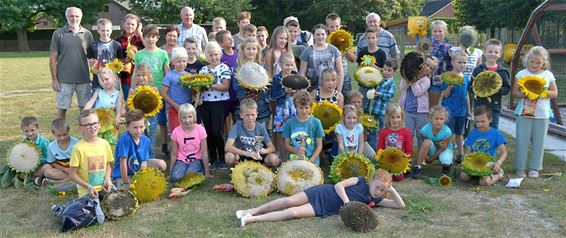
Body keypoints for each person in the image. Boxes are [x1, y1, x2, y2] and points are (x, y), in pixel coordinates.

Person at [236, 169, 404, 227]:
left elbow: (400, 206)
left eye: (382, 190)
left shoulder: (375, 199)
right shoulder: (360, 181)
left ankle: (251, 219)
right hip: (324, 193)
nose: (378, 192)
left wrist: (392, 189)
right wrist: (348, 203)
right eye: (377, 187)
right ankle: (252, 210)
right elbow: (339, 186)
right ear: (372, 180)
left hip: (326, 208)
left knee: (293, 213)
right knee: (289, 201)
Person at [512, 46, 558, 178]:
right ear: (527, 60)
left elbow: (554, 93)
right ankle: (520, 168)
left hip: (542, 114)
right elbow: (515, 93)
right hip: (524, 113)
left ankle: (535, 168)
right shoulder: (521, 74)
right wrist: (526, 94)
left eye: (538, 62)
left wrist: (541, 93)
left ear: (544, 62)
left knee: (539, 141)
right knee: (522, 141)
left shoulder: (548, 75)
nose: (535, 65)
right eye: (532, 61)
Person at [69, 109, 114, 224]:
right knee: (100, 219)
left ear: (99, 124)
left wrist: (107, 179)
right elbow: (72, 174)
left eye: (95, 123)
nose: (92, 127)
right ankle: (79, 204)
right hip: (87, 190)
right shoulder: (78, 148)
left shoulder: (105, 143)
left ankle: (102, 201)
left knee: (120, 204)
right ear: (81, 128)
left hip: (104, 186)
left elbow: (108, 164)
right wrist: (88, 187)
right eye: (88, 124)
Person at [50, 7, 94, 120]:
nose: (74, 18)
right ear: (66, 17)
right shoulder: (58, 33)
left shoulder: (88, 34)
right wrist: (54, 79)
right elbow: (53, 58)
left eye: (77, 16)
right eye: (71, 16)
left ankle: (86, 136)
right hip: (64, 80)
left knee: (85, 111)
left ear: (81, 17)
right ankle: (59, 136)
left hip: (83, 79)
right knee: (62, 110)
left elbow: (92, 58)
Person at [134, 25, 171, 158]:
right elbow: (135, 74)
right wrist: (132, 91)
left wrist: (170, 88)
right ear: (144, 37)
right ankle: (142, 152)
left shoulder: (162, 53)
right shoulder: (139, 54)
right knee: (141, 124)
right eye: (148, 36)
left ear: (157, 38)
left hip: (158, 94)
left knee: (157, 123)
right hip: (141, 96)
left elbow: (167, 72)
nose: (151, 39)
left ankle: (156, 151)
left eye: (153, 36)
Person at [113, 109, 167, 188]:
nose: (138, 130)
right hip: (123, 173)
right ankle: (119, 182)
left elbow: (144, 163)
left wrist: (142, 178)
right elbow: (122, 163)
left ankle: (150, 178)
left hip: (137, 169)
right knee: (127, 194)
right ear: (127, 127)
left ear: (145, 126)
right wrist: (125, 182)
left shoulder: (146, 140)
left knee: (162, 164)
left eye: (141, 127)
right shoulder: (125, 139)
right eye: (135, 127)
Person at [198, 41, 231, 170]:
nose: (214, 57)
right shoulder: (203, 70)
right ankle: (212, 158)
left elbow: (225, 86)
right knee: (208, 132)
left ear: (220, 54)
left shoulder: (224, 68)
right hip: (205, 103)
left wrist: (209, 84)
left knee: (217, 132)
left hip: (219, 103)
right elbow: (199, 86)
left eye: (216, 54)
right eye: (210, 55)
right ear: (206, 56)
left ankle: (222, 157)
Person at [225, 99, 280, 168]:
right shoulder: (237, 126)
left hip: (258, 156)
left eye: (253, 114)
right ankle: (240, 169)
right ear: (241, 115)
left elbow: (272, 148)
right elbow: (227, 147)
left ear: (257, 114)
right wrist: (248, 154)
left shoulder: (261, 127)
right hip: (242, 156)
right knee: (229, 157)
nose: (250, 118)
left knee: (274, 159)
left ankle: (260, 168)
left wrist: (264, 151)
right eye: (247, 115)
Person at [460, 106, 507, 185]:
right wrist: (465, 162)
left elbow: (504, 152)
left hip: (488, 164)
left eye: (483, 121)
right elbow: (468, 151)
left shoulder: (496, 133)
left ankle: (499, 175)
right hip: (474, 162)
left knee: (484, 182)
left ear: (490, 120)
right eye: (477, 122)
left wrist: (498, 163)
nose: (480, 124)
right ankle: (475, 175)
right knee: (463, 177)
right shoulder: (472, 133)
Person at [399, 52, 436, 152]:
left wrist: (414, 80)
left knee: (421, 134)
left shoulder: (426, 81)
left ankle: (421, 153)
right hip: (408, 111)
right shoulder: (409, 77)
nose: (428, 68)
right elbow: (401, 88)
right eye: (426, 65)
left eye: (431, 68)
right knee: (409, 133)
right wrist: (408, 76)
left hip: (421, 112)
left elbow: (417, 92)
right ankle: (407, 153)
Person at [470, 39, 511, 129]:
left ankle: (492, 143)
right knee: (478, 130)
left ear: (500, 54)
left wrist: (497, 90)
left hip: (494, 107)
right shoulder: (478, 69)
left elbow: (507, 88)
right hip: (479, 106)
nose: (493, 54)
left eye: (496, 52)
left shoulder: (502, 71)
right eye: (490, 51)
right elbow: (470, 87)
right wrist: (479, 90)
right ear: (484, 52)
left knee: (492, 130)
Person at [170, 104, 212, 182]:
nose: (187, 120)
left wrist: (207, 172)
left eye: (190, 117)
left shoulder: (200, 130)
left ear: (194, 117)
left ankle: (202, 169)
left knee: (188, 178)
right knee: (175, 178)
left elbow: (204, 152)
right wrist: (170, 172)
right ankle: (195, 172)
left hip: (196, 159)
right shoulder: (176, 132)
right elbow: (174, 153)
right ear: (180, 118)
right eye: (184, 117)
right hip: (182, 159)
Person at [233, 38, 271, 125]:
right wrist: (246, 84)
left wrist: (260, 86)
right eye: (248, 49)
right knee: (244, 130)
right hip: (244, 103)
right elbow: (234, 86)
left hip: (260, 104)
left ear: (258, 50)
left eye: (254, 49)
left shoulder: (261, 66)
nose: (251, 51)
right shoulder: (238, 67)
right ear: (243, 50)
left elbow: (266, 84)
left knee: (261, 130)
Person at [442, 50, 471, 164]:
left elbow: (466, 95)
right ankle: (445, 154)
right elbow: (445, 95)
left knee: (460, 134)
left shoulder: (466, 78)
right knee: (448, 134)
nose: (462, 65)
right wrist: (450, 84)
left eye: (464, 62)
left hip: (461, 112)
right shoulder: (447, 76)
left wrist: (468, 111)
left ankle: (460, 155)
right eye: (460, 62)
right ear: (453, 62)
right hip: (449, 111)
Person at [283, 90, 324, 164]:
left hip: (312, 160)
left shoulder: (316, 122)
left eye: (307, 107)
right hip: (294, 159)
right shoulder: (289, 123)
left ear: (311, 107)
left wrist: (310, 161)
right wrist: (296, 151)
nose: (304, 111)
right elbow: (286, 145)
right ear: (296, 107)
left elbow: (319, 146)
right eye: (301, 108)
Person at [83, 67, 123, 145]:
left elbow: (119, 107)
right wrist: (85, 111)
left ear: (114, 78)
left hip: (111, 122)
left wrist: (118, 116)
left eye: (106, 79)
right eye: (102, 80)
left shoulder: (118, 94)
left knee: (111, 141)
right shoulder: (98, 92)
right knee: (97, 141)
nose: (104, 82)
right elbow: (90, 102)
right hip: (98, 122)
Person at [270, 53, 299, 161]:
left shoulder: (296, 76)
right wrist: (283, 91)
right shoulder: (277, 78)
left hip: (294, 109)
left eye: (292, 65)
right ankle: (283, 158)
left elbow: (302, 92)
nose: (290, 68)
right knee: (281, 132)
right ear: (281, 65)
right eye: (287, 65)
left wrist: (295, 91)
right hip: (281, 109)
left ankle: (295, 157)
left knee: (295, 131)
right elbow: (272, 95)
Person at [129, 63, 160, 159]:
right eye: (138, 75)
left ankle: (152, 161)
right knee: (141, 140)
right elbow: (129, 106)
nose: (141, 78)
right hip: (139, 120)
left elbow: (160, 105)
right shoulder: (133, 90)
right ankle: (142, 161)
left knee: (152, 140)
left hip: (152, 119)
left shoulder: (154, 89)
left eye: (143, 75)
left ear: (149, 76)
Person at [413, 105, 454, 179]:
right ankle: (417, 167)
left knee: (446, 161)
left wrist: (431, 159)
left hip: (443, 150)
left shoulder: (447, 131)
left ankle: (446, 166)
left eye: (441, 119)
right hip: (432, 149)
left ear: (445, 120)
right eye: (436, 118)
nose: (439, 121)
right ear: (431, 118)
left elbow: (443, 148)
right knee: (427, 142)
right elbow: (424, 145)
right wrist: (427, 157)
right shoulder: (425, 130)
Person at [365, 58, 397, 150]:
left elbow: (389, 96)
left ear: (394, 72)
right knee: (371, 129)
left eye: (389, 70)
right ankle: (373, 149)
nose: (386, 72)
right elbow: (370, 87)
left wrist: (379, 94)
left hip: (381, 111)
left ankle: (382, 148)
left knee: (382, 129)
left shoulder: (391, 84)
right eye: (385, 69)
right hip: (371, 108)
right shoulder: (378, 78)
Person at [300, 24, 344, 91]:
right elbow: (302, 73)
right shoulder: (307, 51)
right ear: (313, 36)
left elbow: (340, 71)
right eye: (318, 34)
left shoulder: (334, 50)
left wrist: (339, 90)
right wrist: (304, 90)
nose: (320, 37)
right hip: (312, 88)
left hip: (331, 87)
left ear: (326, 34)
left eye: (323, 34)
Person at [87, 18, 125, 90]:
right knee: (98, 99)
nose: (105, 33)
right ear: (98, 30)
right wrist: (91, 63)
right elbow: (89, 61)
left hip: (113, 79)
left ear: (111, 30)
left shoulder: (116, 45)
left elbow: (120, 61)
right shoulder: (93, 45)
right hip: (98, 79)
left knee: (113, 100)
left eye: (107, 30)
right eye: (102, 30)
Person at [377, 104, 413, 181]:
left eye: (398, 117)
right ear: (388, 118)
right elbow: (379, 148)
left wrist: (404, 162)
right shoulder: (383, 132)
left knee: (398, 178)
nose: (395, 120)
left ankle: (404, 171)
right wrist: (382, 160)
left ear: (402, 117)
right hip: (387, 159)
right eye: (392, 117)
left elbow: (409, 151)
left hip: (399, 161)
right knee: (382, 176)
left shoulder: (406, 131)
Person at [325, 13, 356, 96]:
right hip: (328, 76)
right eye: (332, 27)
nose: (335, 29)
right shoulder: (323, 39)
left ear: (340, 25)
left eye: (337, 26)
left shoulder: (345, 38)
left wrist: (345, 48)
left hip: (344, 75)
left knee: (346, 100)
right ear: (327, 27)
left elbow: (353, 59)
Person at [162, 47, 192, 131]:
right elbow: (164, 94)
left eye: (184, 61)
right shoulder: (169, 76)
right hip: (174, 109)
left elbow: (193, 92)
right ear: (173, 61)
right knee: (176, 131)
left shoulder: (190, 76)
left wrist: (196, 97)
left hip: (188, 108)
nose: (181, 64)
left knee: (187, 131)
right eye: (178, 61)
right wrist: (176, 106)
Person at [115, 14, 144, 99]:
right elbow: (115, 59)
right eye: (128, 24)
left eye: (133, 24)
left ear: (137, 26)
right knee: (128, 102)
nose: (130, 26)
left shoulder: (140, 39)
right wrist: (125, 60)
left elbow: (148, 48)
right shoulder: (118, 39)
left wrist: (140, 32)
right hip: (125, 76)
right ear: (124, 24)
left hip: (140, 76)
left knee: (140, 102)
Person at [43, 118, 79, 185]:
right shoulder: (51, 146)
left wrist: (72, 171)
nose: (62, 138)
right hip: (62, 170)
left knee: (82, 173)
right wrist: (64, 169)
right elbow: (52, 162)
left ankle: (59, 182)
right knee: (47, 172)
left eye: (64, 134)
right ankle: (71, 179)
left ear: (68, 131)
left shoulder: (76, 143)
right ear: (54, 134)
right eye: (59, 136)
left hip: (76, 170)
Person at [429, 20, 452, 107]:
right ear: (431, 31)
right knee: (421, 107)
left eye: (440, 31)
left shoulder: (448, 47)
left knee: (433, 107)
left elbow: (450, 66)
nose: (437, 34)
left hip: (436, 80)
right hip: (422, 78)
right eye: (435, 31)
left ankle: (431, 121)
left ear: (444, 32)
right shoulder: (425, 43)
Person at [21, 116, 49, 182]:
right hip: (29, 167)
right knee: (19, 173)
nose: (30, 133)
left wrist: (37, 160)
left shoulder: (44, 142)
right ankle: (35, 179)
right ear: (22, 130)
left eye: (32, 130)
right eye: (26, 131)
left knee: (47, 167)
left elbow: (48, 158)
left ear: (38, 128)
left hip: (40, 166)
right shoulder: (24, 142)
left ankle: (34, 178)